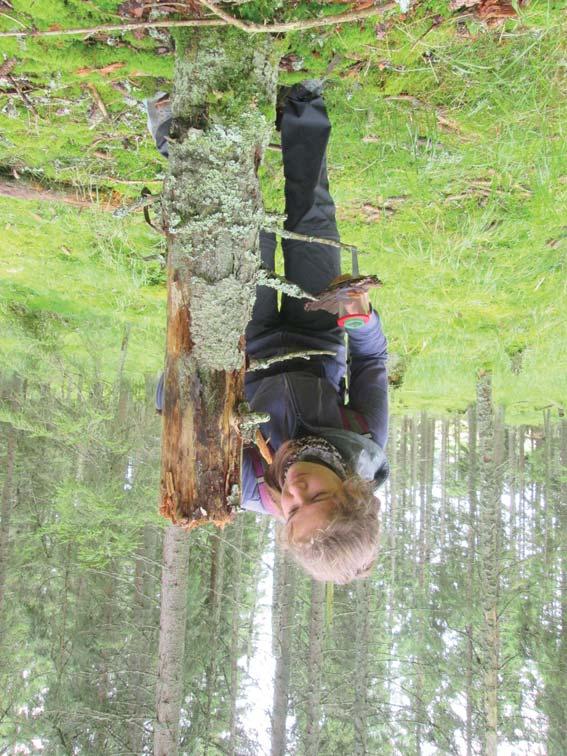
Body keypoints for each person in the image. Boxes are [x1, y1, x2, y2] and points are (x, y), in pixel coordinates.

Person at [147, 81, 389, 584]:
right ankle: (302, 105)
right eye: (318, 497)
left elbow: (184, 414)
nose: (296, 490)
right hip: (318, 330)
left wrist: (175, 393)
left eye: (295, 511)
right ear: (352, 493)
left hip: (247, 343)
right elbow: (370, 364)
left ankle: (179, 134)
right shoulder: (365, 446)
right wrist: (363, 322)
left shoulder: (251, 487)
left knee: (234, 238)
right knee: (313, 217)